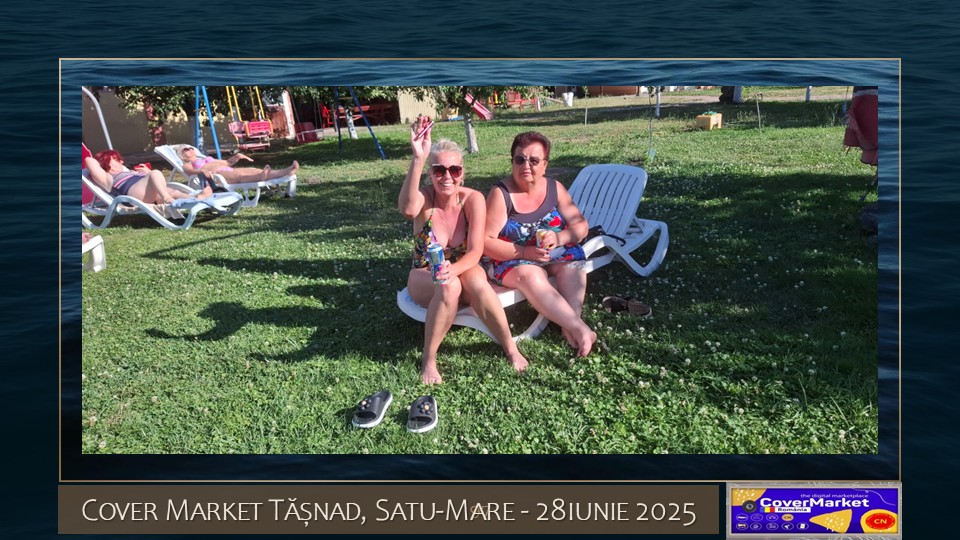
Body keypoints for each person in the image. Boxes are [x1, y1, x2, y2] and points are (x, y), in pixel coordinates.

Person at [400, 116, 528, 385]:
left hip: (463, 268)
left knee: (477, 282)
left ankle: (510, 348)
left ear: (462, 173)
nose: (447, 176)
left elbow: (476, 250)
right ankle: (429, 360)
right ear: (430, 174)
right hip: (425, 275)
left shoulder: (473, 199)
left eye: (454, 170)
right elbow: (408, 209)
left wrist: (453, 270)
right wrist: (418, 157)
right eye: (439, 170)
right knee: (450, 287)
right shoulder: (424, 198)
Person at [483, 131, 597, 357]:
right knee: (532, 275)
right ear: (512, 162)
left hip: (553, 253)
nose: (526, 166)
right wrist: (524, 252)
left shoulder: (555, 188)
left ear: (545, 165)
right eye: (520, 159)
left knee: (572, 264)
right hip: (512, 258)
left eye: (534, 160)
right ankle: (580, 329)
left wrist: (560, 238)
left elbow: (581, 226)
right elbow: (485, 242)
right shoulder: (501, 194)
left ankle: (570, 323)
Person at [84, 150, 211, 203]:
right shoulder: (106, 177)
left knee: (174, 191)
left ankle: (196, 198)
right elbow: (89, 160)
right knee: (155, 173)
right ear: (107, 162)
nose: (122, 161)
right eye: (117, 159)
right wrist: (102, 159)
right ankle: (166, 198)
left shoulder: (128, 172)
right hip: (133, 194)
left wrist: (145, 172)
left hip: (146, 191)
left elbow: (150, 181)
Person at [178, 146, 299, 184]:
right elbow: (189, 171)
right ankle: (260, 177)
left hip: (226, 170)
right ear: (182, 156)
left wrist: (238, 156)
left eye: (191, 148)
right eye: (186, 149)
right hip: (217, 176)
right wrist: (201, 171)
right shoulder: (187, 164)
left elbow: (227, 163)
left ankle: (286, 171)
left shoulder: (207, 158)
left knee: (253, 169)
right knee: (240, 176)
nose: (190, 149)